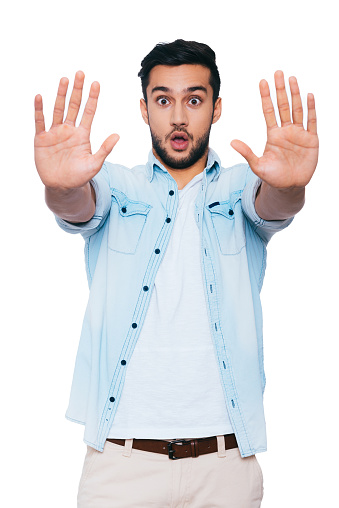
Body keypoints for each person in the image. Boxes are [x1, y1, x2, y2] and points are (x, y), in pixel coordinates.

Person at [34, 40, 318, 508]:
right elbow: (79, 206)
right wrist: (61, 187)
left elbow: (274, 204)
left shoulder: (240, 186)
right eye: (163, 100)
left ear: (216, 108)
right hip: (120, 467)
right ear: (144, 109)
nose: (179, 117)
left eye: (194, 99)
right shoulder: (116, 184)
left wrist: (289, 187)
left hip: (225, 467)